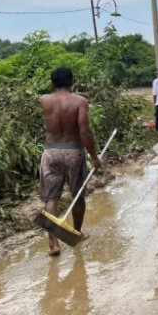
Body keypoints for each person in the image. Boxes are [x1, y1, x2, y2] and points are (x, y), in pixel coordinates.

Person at [39, 67, 101, 256]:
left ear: (52, 82)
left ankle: (54, 243)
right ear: (72, 81)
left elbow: (57, 99)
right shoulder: (80, 102)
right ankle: (77, 232)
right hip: (73, 152)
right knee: (78, 196)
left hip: (50, 153)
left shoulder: (44, 100)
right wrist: (94, 156)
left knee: (51, 198)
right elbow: (83, 131)